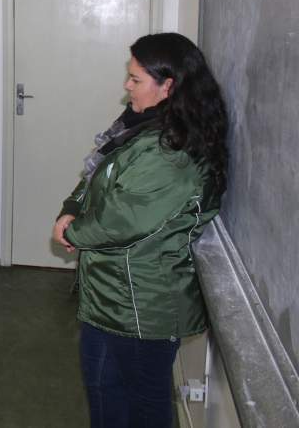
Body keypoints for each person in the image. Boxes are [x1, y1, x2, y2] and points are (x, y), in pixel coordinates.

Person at [52, 33, 229, 428]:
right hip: (115, 298)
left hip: (138, 306)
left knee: (138, 408)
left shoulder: (172, 152)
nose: (126, 86)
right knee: (108, 397)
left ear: (169, 86)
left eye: (135, 79)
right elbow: (99, 173)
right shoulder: (142, 127)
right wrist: (71, 208)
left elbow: (122, 220)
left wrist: (74, 232)